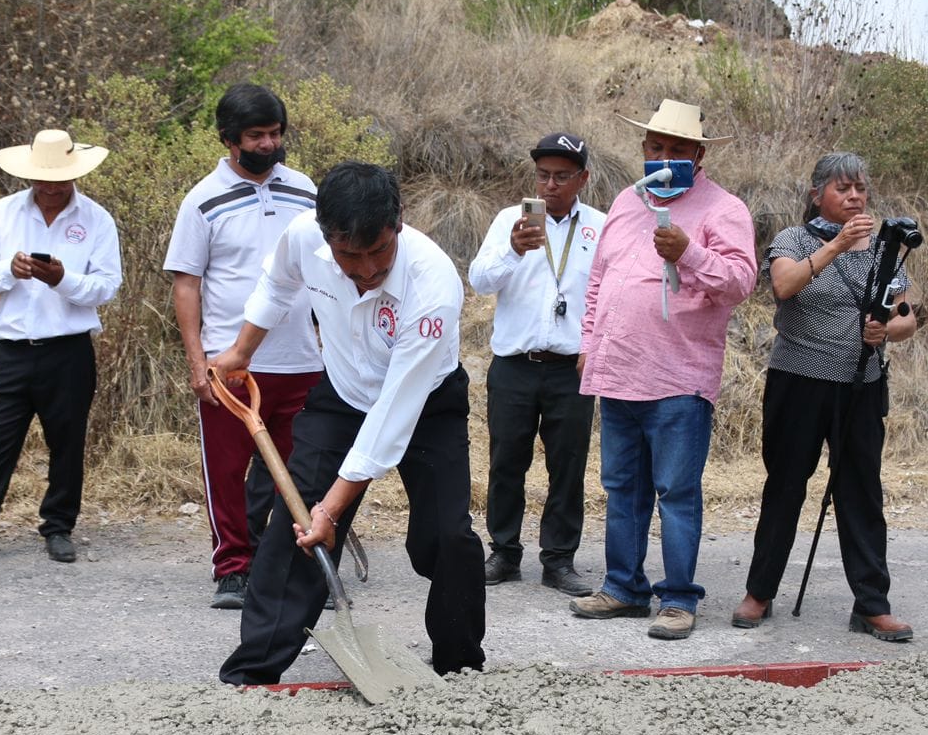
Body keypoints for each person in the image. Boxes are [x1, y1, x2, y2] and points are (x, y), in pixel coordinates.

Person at [210, 162, 485, 685]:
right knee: (291, 533)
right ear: (324, 234)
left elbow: (392, 416)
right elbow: (276, 284)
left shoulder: (433, 285)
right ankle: (253, 670)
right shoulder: (301, 240)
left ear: (399, 221)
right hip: (340, 394)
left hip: (425, 404)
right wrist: (241, 351)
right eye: (348, 256)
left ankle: (459, 667)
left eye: (378, 252)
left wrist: (331, 510)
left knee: (447, 537)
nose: (364, 270)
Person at [570, 99, 756, 640]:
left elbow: (741, 283)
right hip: (619, 369)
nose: (665, 157)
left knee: (676, 490)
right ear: (644, 149)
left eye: (678, 150)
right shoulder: (627, 202)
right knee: (621, 486)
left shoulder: (724, 210)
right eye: (656, 148)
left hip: (680, 377)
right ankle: (623, 587)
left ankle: (677, 598)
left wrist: (689, 253)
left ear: (699, 155)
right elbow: (599, 280)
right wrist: (589, 343)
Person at [730, 152, 917, 641]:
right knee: (786, 486)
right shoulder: (793, 240)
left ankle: (872, 604)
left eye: (860, 188)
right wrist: (836, 246)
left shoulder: (885, 249)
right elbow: (785, 285)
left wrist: (887, 331)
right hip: (799, 381)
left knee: (861, 491)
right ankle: (760, 592)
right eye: (842, 189)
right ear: (817, 195)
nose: (855, 197)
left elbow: (907, 317)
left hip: (861, 384)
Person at [0, 130, 120, 566]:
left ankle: (58, 527)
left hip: (68, 350)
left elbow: (107, 287)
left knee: (67, 444)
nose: (50, 187)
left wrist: (61, 279)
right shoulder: (4, 212)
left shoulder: (96, 219)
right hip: (13, 349)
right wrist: (10, 270)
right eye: (42, 178)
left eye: (58, 178)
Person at [165, 84, 321, 609]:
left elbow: (328, 268)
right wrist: (197, 363)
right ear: (228, 139)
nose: (269, 144)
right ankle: (233, 567)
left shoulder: (305, 190)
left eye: (276, 134)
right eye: (256, 136)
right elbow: (186, 283)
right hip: (231, 365)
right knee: (228, 473)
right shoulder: (201, 200)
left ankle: (298, 567)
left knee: (304, 472)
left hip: (302, 359)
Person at [468, 132, 605, 597]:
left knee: (568, 464)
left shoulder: (600, 228)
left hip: (572, 367)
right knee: (507, 459)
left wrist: (597, 347)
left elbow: (608, 296)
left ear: (583, 178)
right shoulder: (511, 220)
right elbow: (480, 280)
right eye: (544, 175)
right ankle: (504, 552)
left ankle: (559, 560)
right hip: (514, 364)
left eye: (562, 176)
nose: (550, 185)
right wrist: (513, 250)